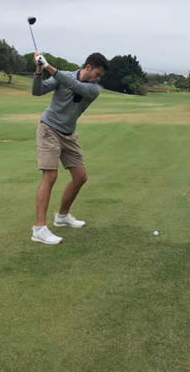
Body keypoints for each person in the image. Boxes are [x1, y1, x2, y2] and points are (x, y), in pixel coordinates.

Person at [30, 51, 109, 245]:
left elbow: (73, 85)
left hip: (69, 134)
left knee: (80, 177)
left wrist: (49, 66)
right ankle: (39, 229)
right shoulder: (64, 75)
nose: (99, 79)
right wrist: (39, 69)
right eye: (98, 74)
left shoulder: (94, 90)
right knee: (50, 176)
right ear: (88, 67)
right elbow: (37, 91)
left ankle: (62, 217)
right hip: (49, 129)